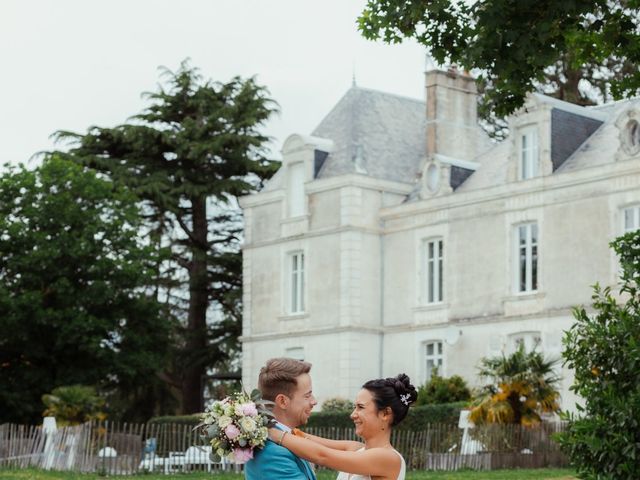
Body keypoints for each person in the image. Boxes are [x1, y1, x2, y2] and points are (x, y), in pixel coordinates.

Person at [269, 373, 418, 480]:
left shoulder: (388, 458)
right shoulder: (356, 448)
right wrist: (265, 422)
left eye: (360, 407)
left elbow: (322, 456)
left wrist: (273, 433)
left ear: (385, 414)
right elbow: (305, 438)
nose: (353, 414)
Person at [245, 357, 323, 480]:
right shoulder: (272, 454)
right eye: (307, 396)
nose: (314, 401)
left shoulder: (288, 438)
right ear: (282, 401)